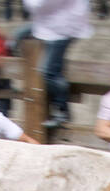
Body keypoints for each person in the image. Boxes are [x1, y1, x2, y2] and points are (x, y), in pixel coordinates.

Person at [25, 0, 94, 128]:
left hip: (62, 28)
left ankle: (62, 110)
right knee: (19, 36)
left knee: (49, 72)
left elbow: (38, 4)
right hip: (50, 23)